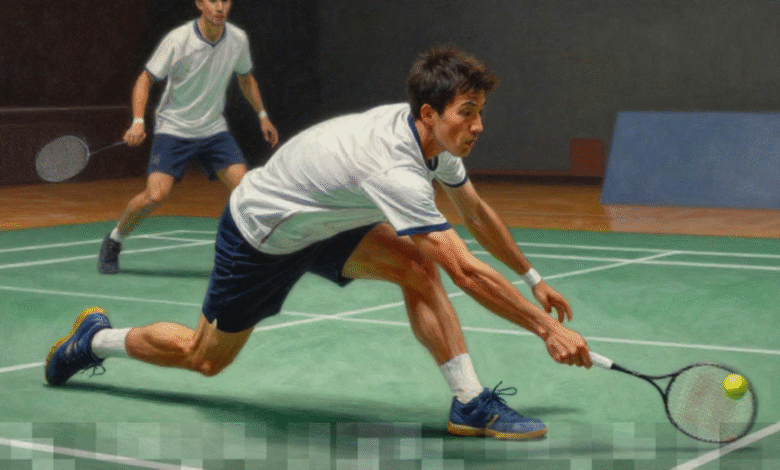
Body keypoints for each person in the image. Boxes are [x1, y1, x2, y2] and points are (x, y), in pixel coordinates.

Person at [48, 46, 592, 440]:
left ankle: (469, 403)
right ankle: (96, 339)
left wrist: (533, 278)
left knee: (417, 268)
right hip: (264, 232)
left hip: (328, 217)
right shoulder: (392, 166)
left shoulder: (433, 141)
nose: (477, 126)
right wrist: (547, 330)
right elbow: (465, 269)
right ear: (429, 114)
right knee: (204, 357)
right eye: (466, 113)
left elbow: (475, 213)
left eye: (480, 111)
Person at [97, 0, 279, 274]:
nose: (220, 7)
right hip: (174, 129)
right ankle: (114, 240)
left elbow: (245, 77)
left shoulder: (237, 39)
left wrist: (262, 115)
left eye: (225, 1)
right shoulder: (178, 40)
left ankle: (250, 252)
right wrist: (137, 121)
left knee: (245, 190)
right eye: (213, 1)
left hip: (212, 129)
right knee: (155, 196)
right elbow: (145, 79)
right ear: (199, 4)